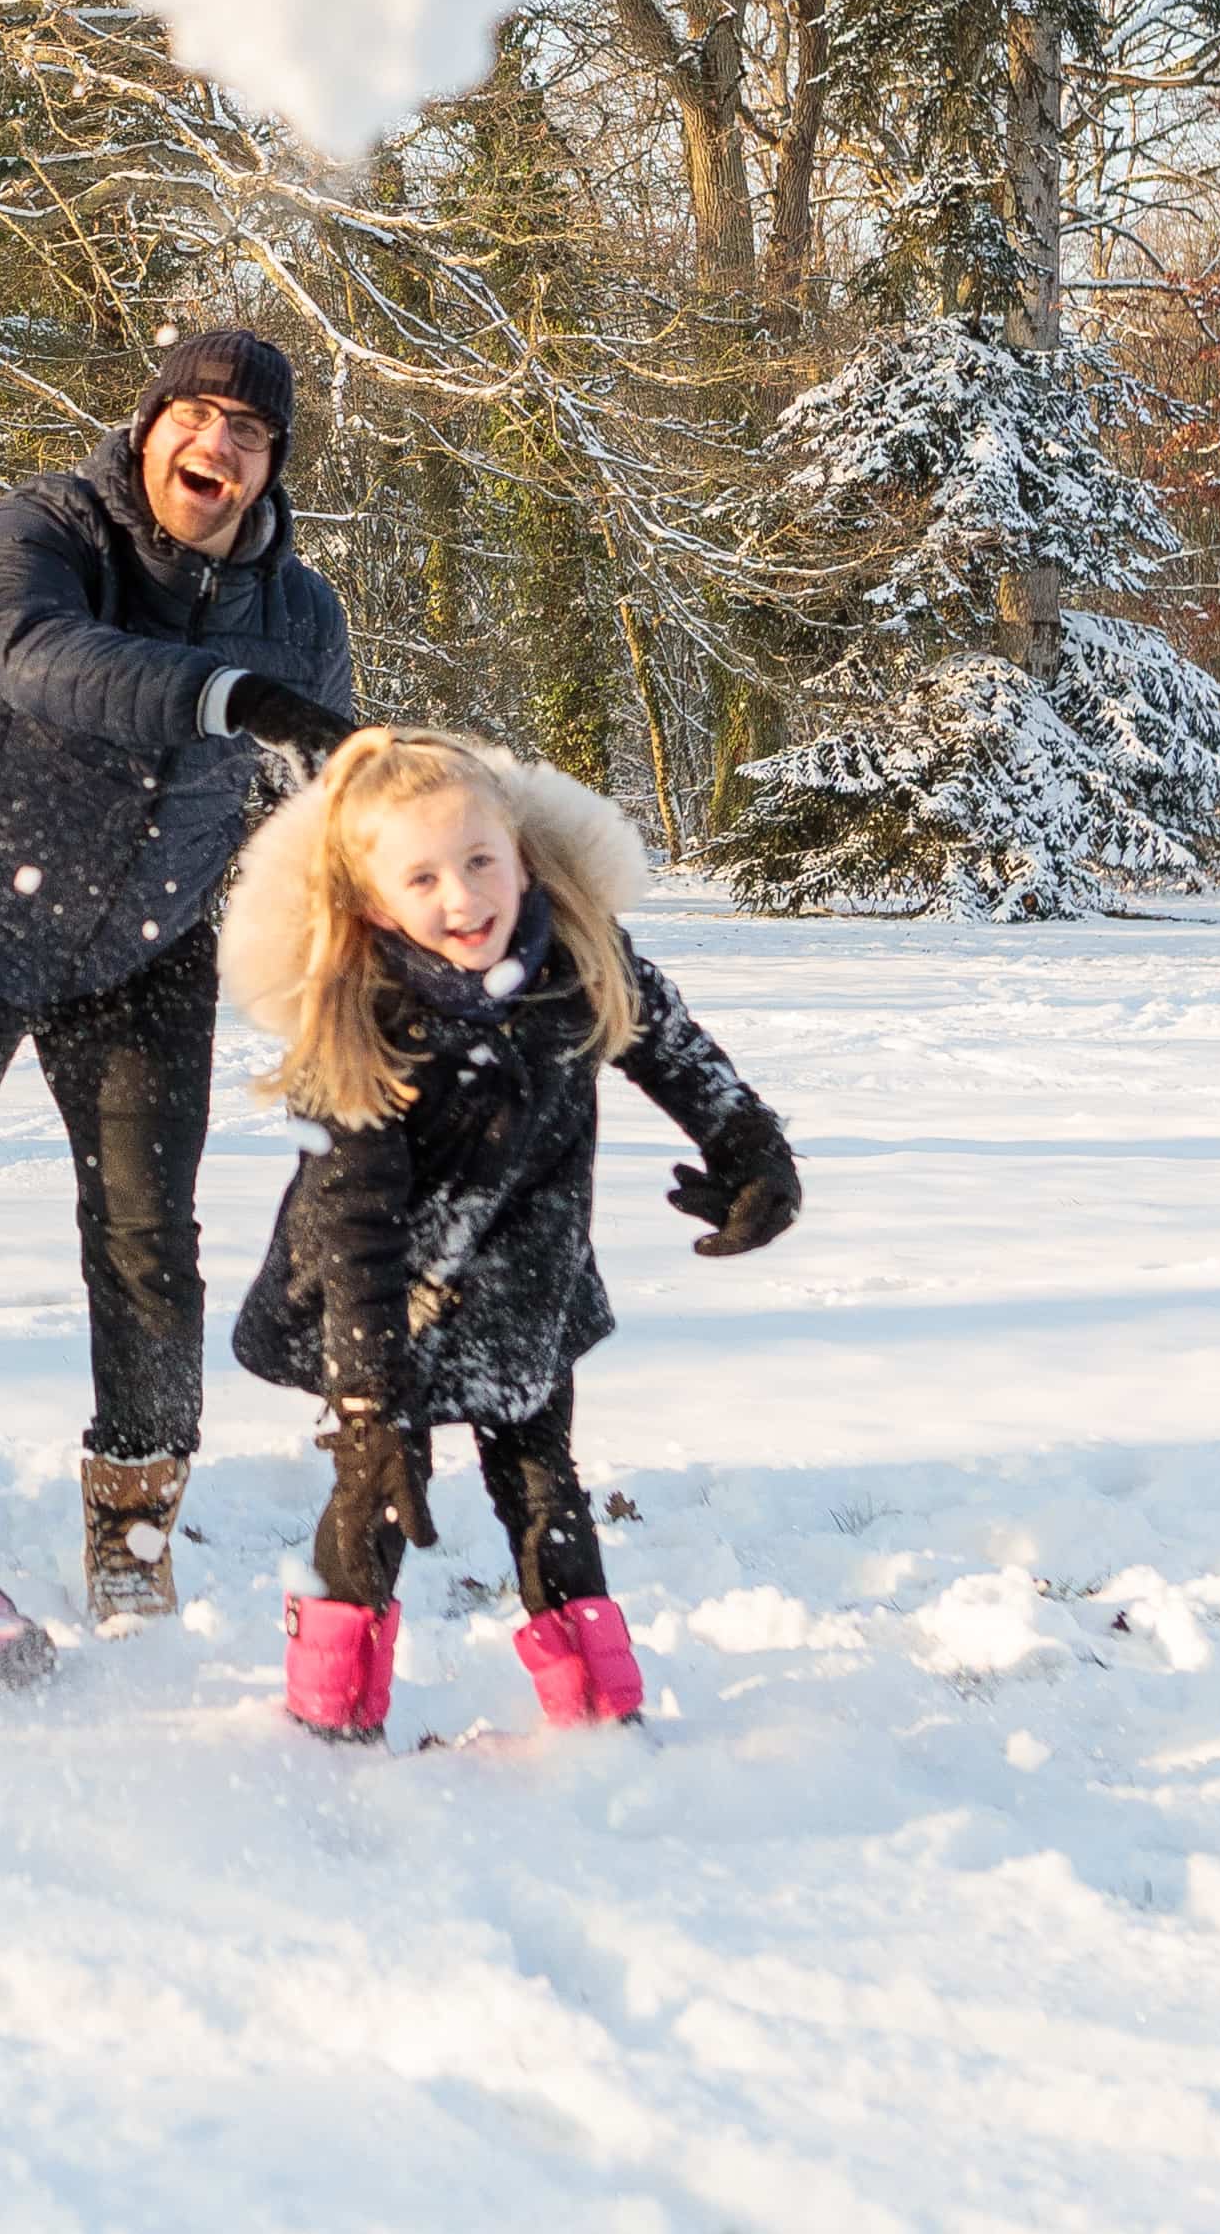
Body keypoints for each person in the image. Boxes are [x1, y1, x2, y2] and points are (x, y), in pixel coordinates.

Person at [0, 325, 358, 1624]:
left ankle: (133, 1522)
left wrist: (336, 984)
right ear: (148, 421)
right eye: (197, 413)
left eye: (248, 430)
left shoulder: (299, 614)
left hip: (143, 948)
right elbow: (39, 659)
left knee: (144, 1251)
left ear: (270, 464)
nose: (215, 444)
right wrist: (231, 696)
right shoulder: (50, 527)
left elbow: (325, 824)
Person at [221, 728, 800, 1746]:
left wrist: (749, 1144)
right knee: (375, 1498)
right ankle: (329, 1718)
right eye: (423, 876)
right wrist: (365, 1396)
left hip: (524, 1284)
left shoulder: (573, 951)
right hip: (386, 1302)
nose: (463, 896)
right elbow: (354, 1224)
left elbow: (667, 1038)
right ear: (370, 901)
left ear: (521, 852)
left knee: (543, 1485)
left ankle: (595, 1712)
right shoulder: (360, 1016)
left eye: (481, 859)